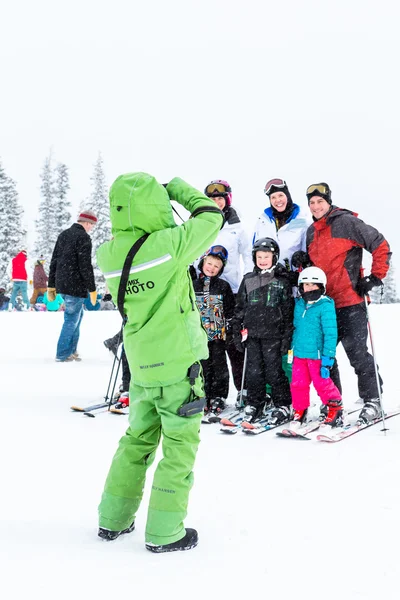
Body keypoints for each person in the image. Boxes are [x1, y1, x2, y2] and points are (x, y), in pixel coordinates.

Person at [96, 173, 223, 553]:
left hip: (142, 364)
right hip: (178, 365)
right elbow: (211, 216)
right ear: (155, 205)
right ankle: (166, 532)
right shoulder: (168, 245)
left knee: (135, 442)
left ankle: (112, 520)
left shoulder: (109, 253)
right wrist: (177, 188)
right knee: (179, 448)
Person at [305, 182, 391, 424]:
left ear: (329, 201)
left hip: (350, 301)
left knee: (357, 354)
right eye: (311, 202)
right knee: (326, 358)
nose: (316, 206)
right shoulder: (312, 232)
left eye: (320, 201)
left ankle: (373, 400)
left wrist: (375, 277)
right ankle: (333, 402)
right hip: (324, 305)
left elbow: (380, 244)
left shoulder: (346, 223)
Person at [200, 180, 253, 400]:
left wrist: (248, 284)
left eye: (220, 198)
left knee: (233, 346)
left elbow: (248, 257)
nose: (216, 202)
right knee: (207, 348)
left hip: (230, 292)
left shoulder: (237, 228)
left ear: (227, 200)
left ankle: (243, 390)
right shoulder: (199, 224)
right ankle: (206, 391)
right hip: (203, 293)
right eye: (211, 199)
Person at [233, 237, 293, 426]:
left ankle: (283, 404)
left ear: (274, 257)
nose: (262, 260)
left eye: (266, 256)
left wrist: (286, 337)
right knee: (254, 372)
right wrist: (237, 330)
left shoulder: (281, 281)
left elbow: (287, 311)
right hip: (253, 335)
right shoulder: (248, 279)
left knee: (274, 372)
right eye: (259, 256)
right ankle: (255, 403)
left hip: (273, 335)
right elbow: (240, 307)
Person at [290, 267, 343, 428]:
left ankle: (334, 408)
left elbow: (330, 333)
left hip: (317, 356)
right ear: (301, 287)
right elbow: (295, 328)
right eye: (306, 285)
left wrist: (328, 356)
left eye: (314, 285)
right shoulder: (299, 304)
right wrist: (291, 350)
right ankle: (300, 409)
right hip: (299, 354)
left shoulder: (325, 305)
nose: (310, 288)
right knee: (298, 384)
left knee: (322, 384)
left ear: (321, 286)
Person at [48, 210, 98, 362]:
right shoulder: (83, 237)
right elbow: (85, 266)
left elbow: (54, 261)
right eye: (92, 225)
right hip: (75, 285)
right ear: (87, 223)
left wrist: (52, 285)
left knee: (77, 317)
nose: (91, 228)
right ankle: (62, 353)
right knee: (71, 318)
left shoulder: (64, 235)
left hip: (62, 284)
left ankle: (71, 350)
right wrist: (92, 288)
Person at [193, 245, 235, 416]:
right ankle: (202, 394)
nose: (212, 268)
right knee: (201, 366)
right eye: (209, 264)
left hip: (217, 334)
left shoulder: (223, 286)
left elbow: (230, 308)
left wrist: (230, 325)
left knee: (218, 365)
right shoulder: (193, 284)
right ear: (203, 262)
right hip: (198, 334)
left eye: (216, 266)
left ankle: (218, 395)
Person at [253, 178, 312, 285]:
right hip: (266, 280)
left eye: (281, 195)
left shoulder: (302, 221)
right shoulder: (263, 221)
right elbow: (252, 251)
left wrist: (302, 261)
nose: (277, 200)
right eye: (273, 197)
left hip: (291, 279)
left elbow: (308, 252)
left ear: (288, 196)